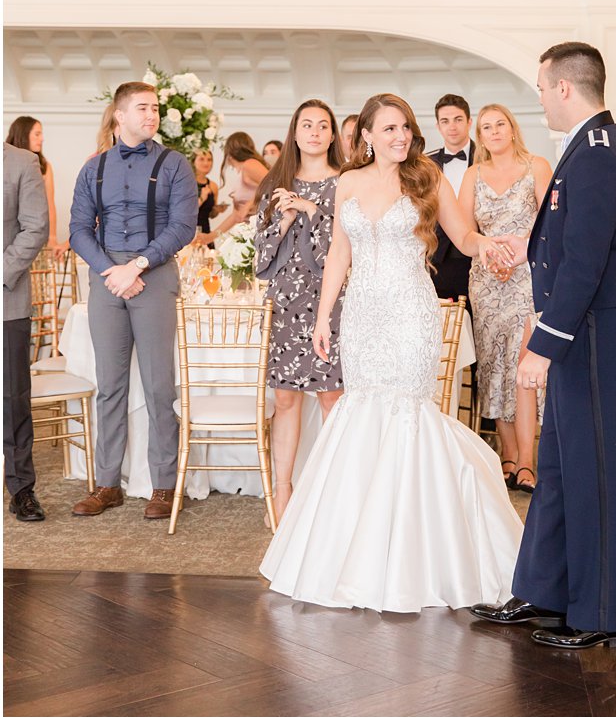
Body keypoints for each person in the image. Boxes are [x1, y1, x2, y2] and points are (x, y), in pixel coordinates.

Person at [259, 93, 521, 612]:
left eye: (405, 128)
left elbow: (462, 235)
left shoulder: (426, 178)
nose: (400, 137)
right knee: (362, 413)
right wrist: (321, 317)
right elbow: (339, 250)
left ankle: (417, 556)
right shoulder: (347, 183)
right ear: (367, 137)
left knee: (408, 414)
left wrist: (486, 245)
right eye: (389, 129)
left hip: (410, 312)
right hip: (361, 315)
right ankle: (358, 554)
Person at [471, 42, 616, 651]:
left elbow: (584, 263)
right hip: (585, 328)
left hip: (593, 331)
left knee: (594, 471)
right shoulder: (588, 150)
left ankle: (603, 612)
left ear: (567, 89)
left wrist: (542, 343)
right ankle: (545, 589)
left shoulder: (598, 155)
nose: (541, 97)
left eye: (544, 87)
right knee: (557, 467)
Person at [68, 82, 198, 519]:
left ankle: (163, 484)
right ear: (119, 116)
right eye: (143, 108)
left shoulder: (175, 164)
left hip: (154, 275)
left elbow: (183, 227)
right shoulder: (94, 168)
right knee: (110, 386)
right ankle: (107, 484)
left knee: (160, 386)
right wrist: (112, 270)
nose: (152, 115)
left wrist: (137, 265)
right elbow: (79, 230)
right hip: (108, 279)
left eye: (155, 108)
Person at [253, 101, 346, 524]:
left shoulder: (346, 182)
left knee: (333, 398)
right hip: (287, 303)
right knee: (286, 399)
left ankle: (332, 495)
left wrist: (313, 212)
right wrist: (286, 219)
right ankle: (283, 496)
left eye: (322, 125)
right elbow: (260, 256)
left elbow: (346, 248)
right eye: (306, 125)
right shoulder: (277, 182)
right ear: (295, 132)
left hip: (332, 302)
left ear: (332, 135)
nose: (314, 132)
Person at [458, 104, 551, 488]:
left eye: (500, 125)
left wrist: (519, 252)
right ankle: (509, 458)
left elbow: (553, 226)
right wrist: (486, 250)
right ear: (480, 137)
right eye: (486, 128)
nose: (494, 132)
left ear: (512, 129)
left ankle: (528, 461)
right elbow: (464, 234)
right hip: (486, 281)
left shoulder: (537, 167)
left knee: (523, 364)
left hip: (527, 279)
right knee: (495, 364)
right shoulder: (472, 175)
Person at [4, 143, 51, 521]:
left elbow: (36, 226)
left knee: (12, 400)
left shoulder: (21, 162)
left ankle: (21, 490)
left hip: (6, 300)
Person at [427, 94, 475, 302]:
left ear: (469, 122)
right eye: (445, 121)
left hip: (476, 255)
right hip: (438, 257)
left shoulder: (488, 159)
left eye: (458, 119)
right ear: (438, 126)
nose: (452, 127)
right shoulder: (425, 164)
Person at [5, 117, 67, 262]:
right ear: (23, 134)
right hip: (9, 239)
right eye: (37, 134)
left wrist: (52, 237)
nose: (42, 139)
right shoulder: (7, 162)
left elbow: (49, 204)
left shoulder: (44, 166)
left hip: (34, 238)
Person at [206, 132, 268, 239]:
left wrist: (249, 204)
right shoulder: (242, 172)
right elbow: (236, 216)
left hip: (259, 232)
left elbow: (273, 184)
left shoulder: (250, 164)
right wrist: (209, 237)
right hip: (247, 233)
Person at [191, 149, 220, 234]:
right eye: (202, 159)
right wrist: (202, 198)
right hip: (188, 232)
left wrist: (216, 210)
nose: (206, 163)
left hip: (205, 232)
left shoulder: (213, 186)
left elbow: (211, 215)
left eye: (209, 159)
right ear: (193, 161)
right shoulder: (186, 183)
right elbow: (185, 211)